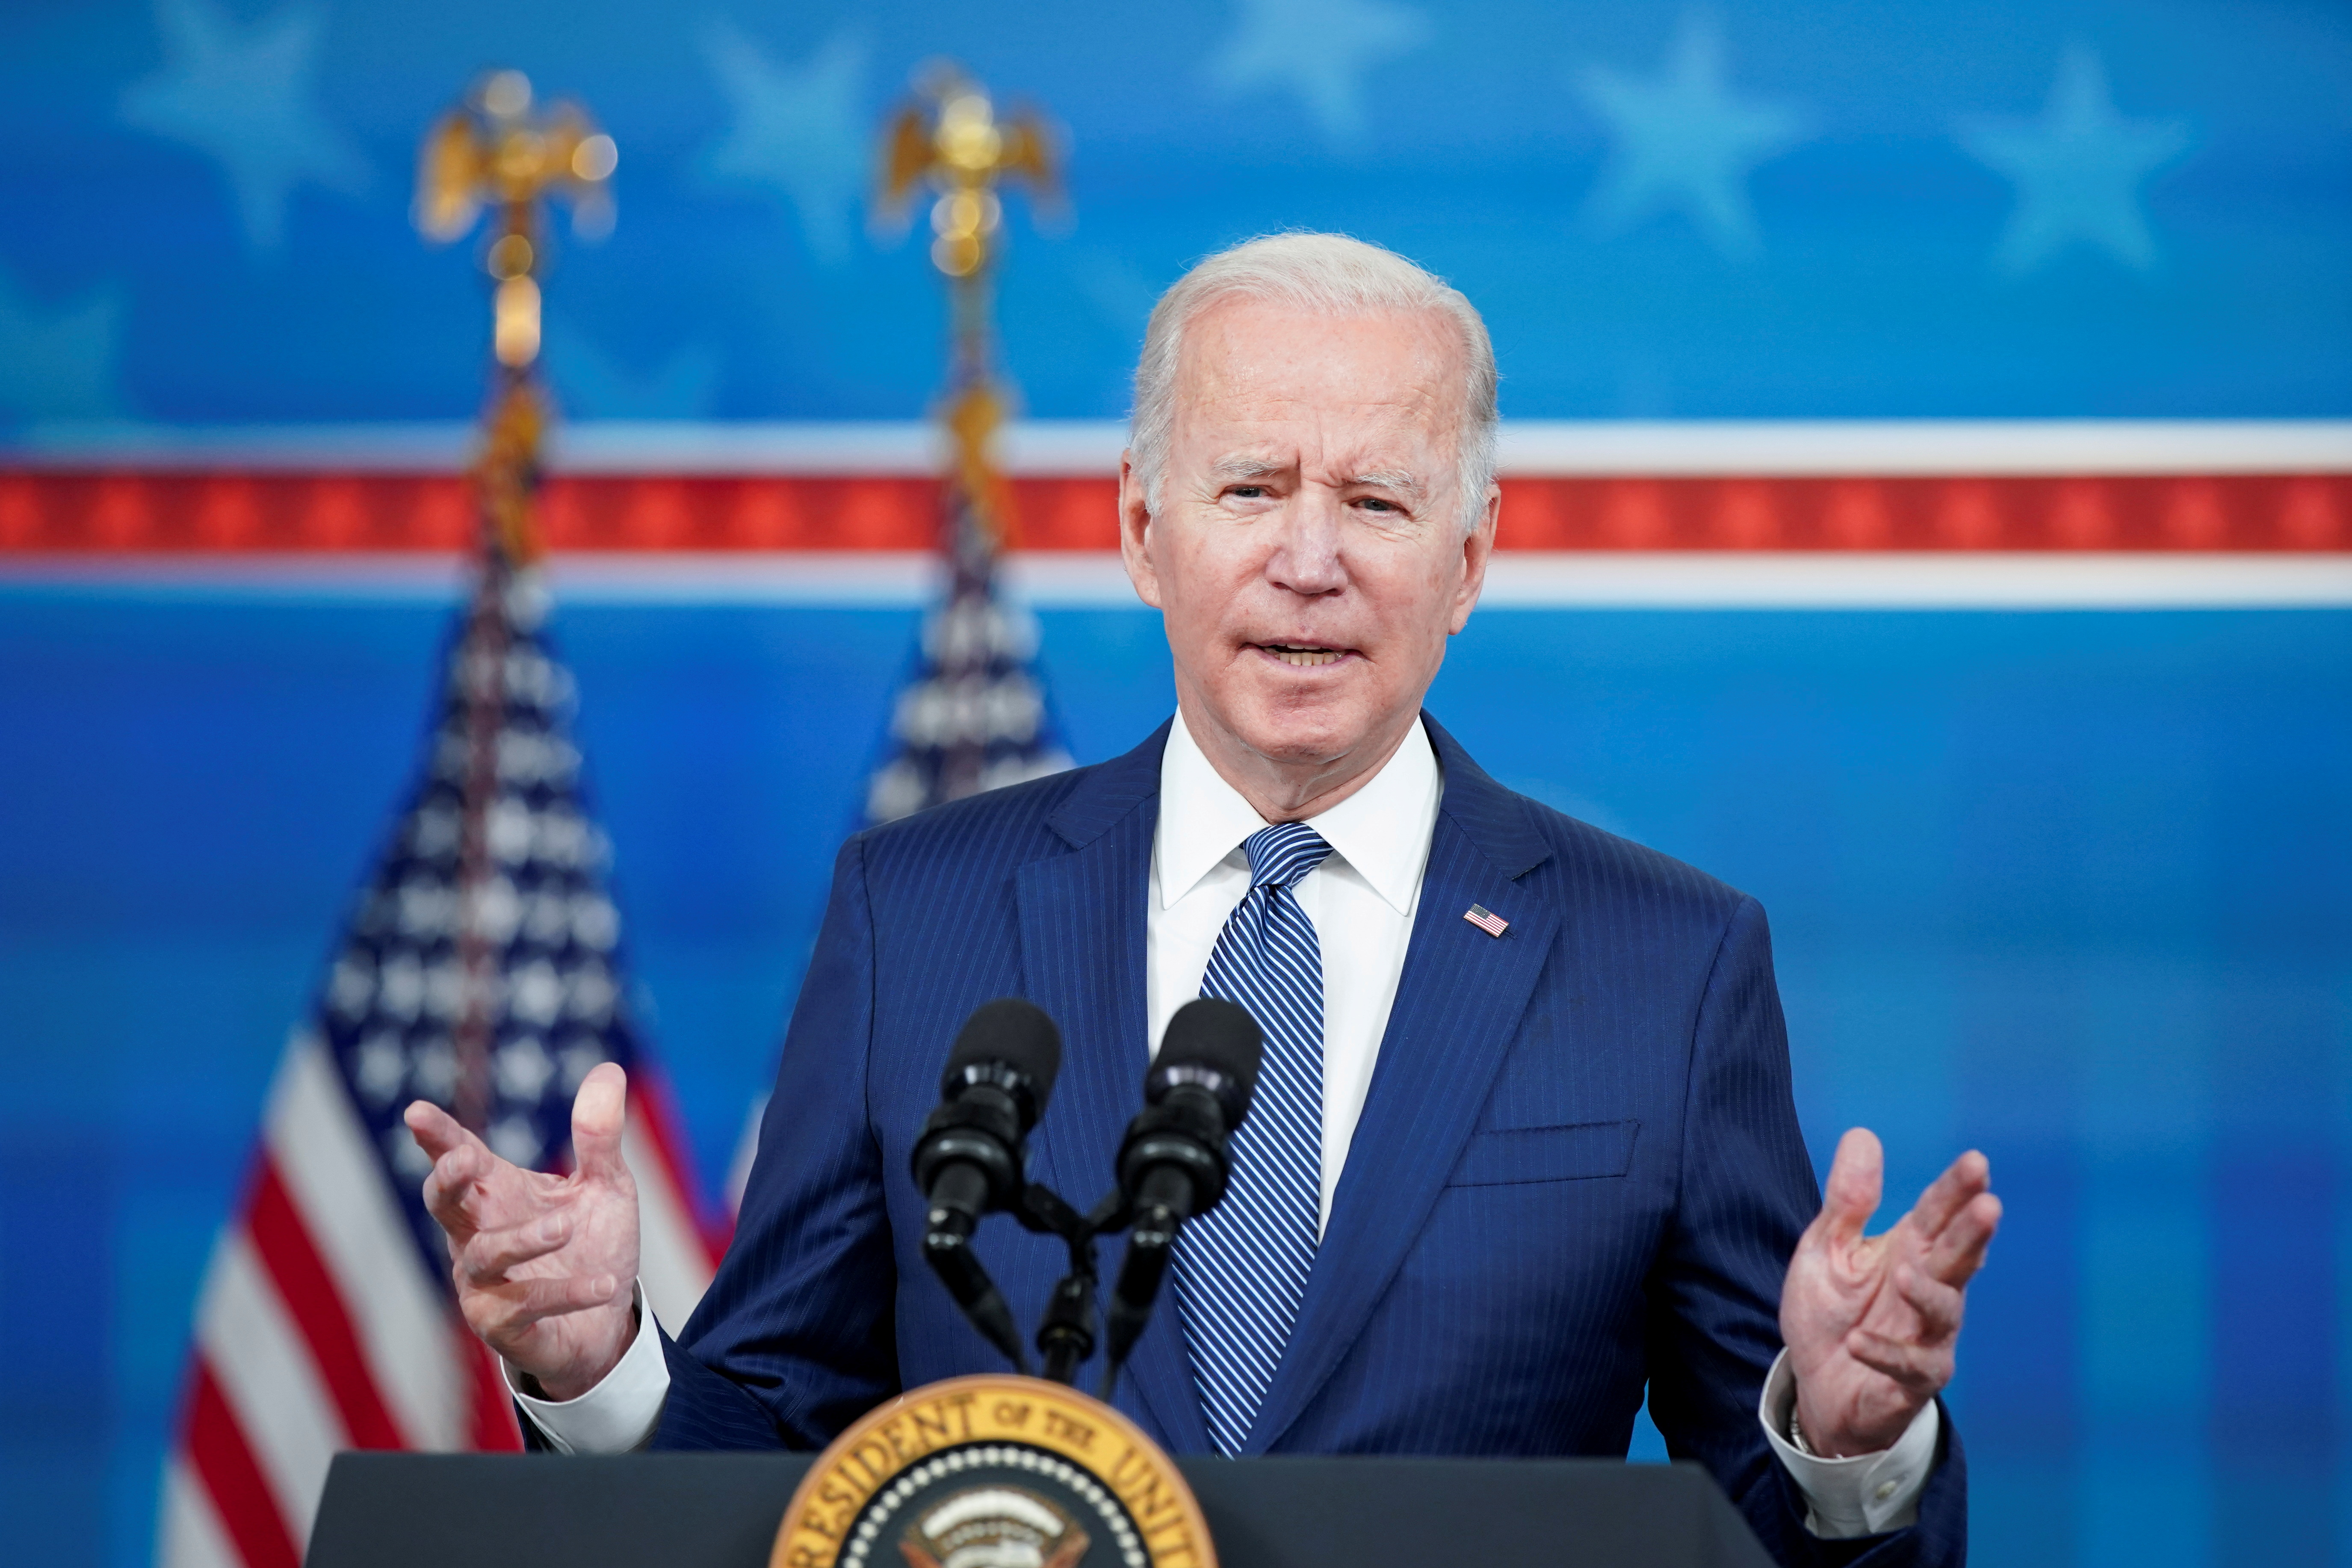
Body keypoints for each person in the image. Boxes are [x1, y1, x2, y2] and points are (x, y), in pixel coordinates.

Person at [407, 234, 1999, 1563]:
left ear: (1468, 559)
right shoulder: (918, 911)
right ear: (1139, 529)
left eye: (1376, 502)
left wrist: (1848, 1442)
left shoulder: (1665, 962)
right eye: (1250, 488)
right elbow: (772, 1447)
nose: (1309, 560)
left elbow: (1765, 1533)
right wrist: (601, 1365)